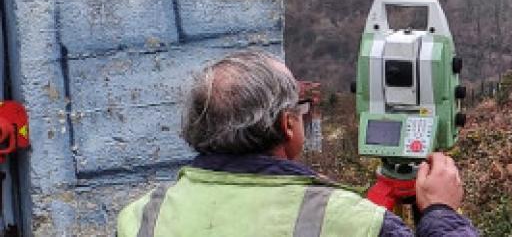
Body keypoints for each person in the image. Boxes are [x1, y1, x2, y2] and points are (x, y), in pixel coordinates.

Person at [117, 51, 479, 237]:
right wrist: (440, 214)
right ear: (287, 125)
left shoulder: (140, 217)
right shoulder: (348, 221)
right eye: (299, 110)